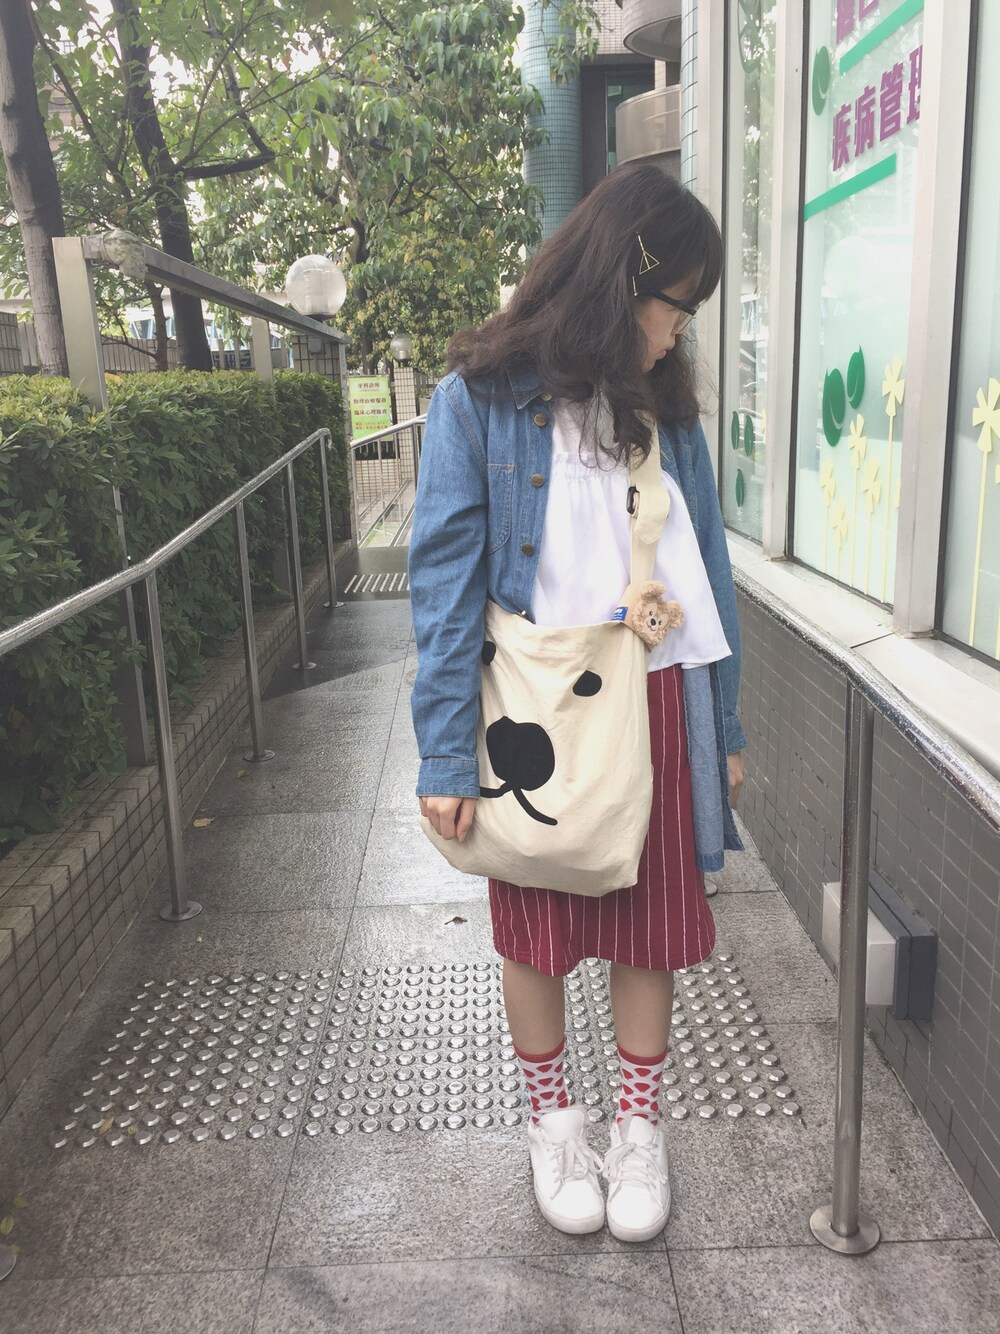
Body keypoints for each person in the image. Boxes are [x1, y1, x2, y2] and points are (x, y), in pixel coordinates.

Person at [408, 163, 746, 1243]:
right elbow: (444, 586)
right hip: (535, 707)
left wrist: (727, 726)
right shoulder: (477, 400)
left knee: (651, 925)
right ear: (622, 280)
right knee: (537, 925)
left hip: (658, 697)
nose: (678, 332)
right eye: (676, 304)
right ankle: (554, 1121)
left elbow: (709, 570)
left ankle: (637, 1128)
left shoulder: (667, 409)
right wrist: (443, 753)